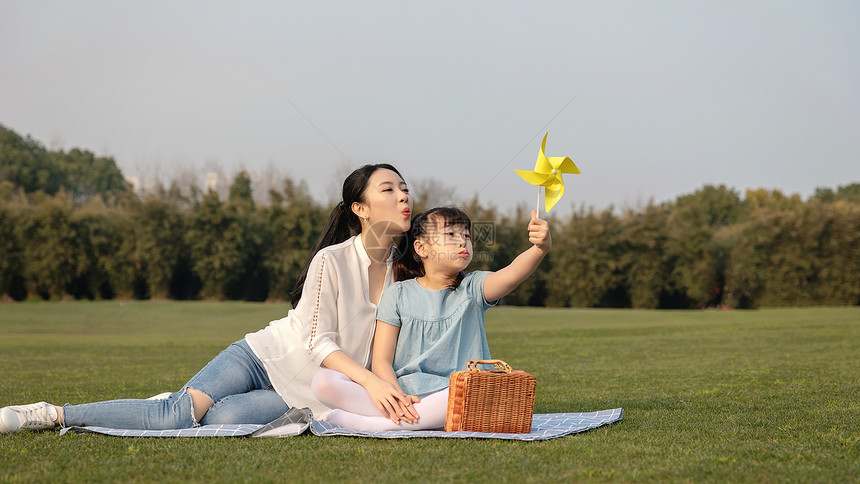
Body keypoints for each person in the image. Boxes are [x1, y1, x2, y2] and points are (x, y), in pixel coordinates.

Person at [0, 164, 418, 434]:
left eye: (404, 189)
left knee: (220, 420)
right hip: (260, 356)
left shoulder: (405, 272)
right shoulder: (332, 259)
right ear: (360, 209)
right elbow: (317, 340)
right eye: (389, 190)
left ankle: (188, 398)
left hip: (300, 392)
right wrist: (370, 382)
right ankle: (54, 413)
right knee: (176, 418)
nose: (403, 196)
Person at [310, 206, 551, 431]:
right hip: (407, 393)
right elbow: (381, 360)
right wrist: (394, 396)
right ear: (421, 248)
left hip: (455, 392)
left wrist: (539, 248)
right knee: (323, 381)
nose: (462, 242)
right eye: (451, 235)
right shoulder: (398, 294)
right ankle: (412, 418)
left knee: (469, 391)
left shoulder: (473, 288)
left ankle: (380, 425)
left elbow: (511, 275)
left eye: (466, 236)